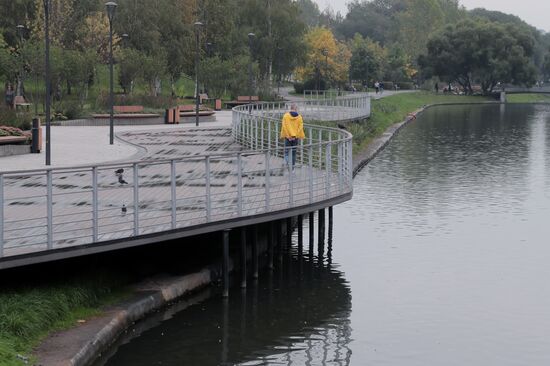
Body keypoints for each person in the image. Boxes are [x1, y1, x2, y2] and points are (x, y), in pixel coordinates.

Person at [280, 104, 305, 171]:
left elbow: (284, 127)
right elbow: (300, 127)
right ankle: (292, 169)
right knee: (294, 153)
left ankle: (288, 163)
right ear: (296, 109)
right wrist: (295, 135)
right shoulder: (299, 117)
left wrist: (288, 136)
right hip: (295, 138)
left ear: (290, 108)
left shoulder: (285, 116)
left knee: (286, 152)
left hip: (288, 137)